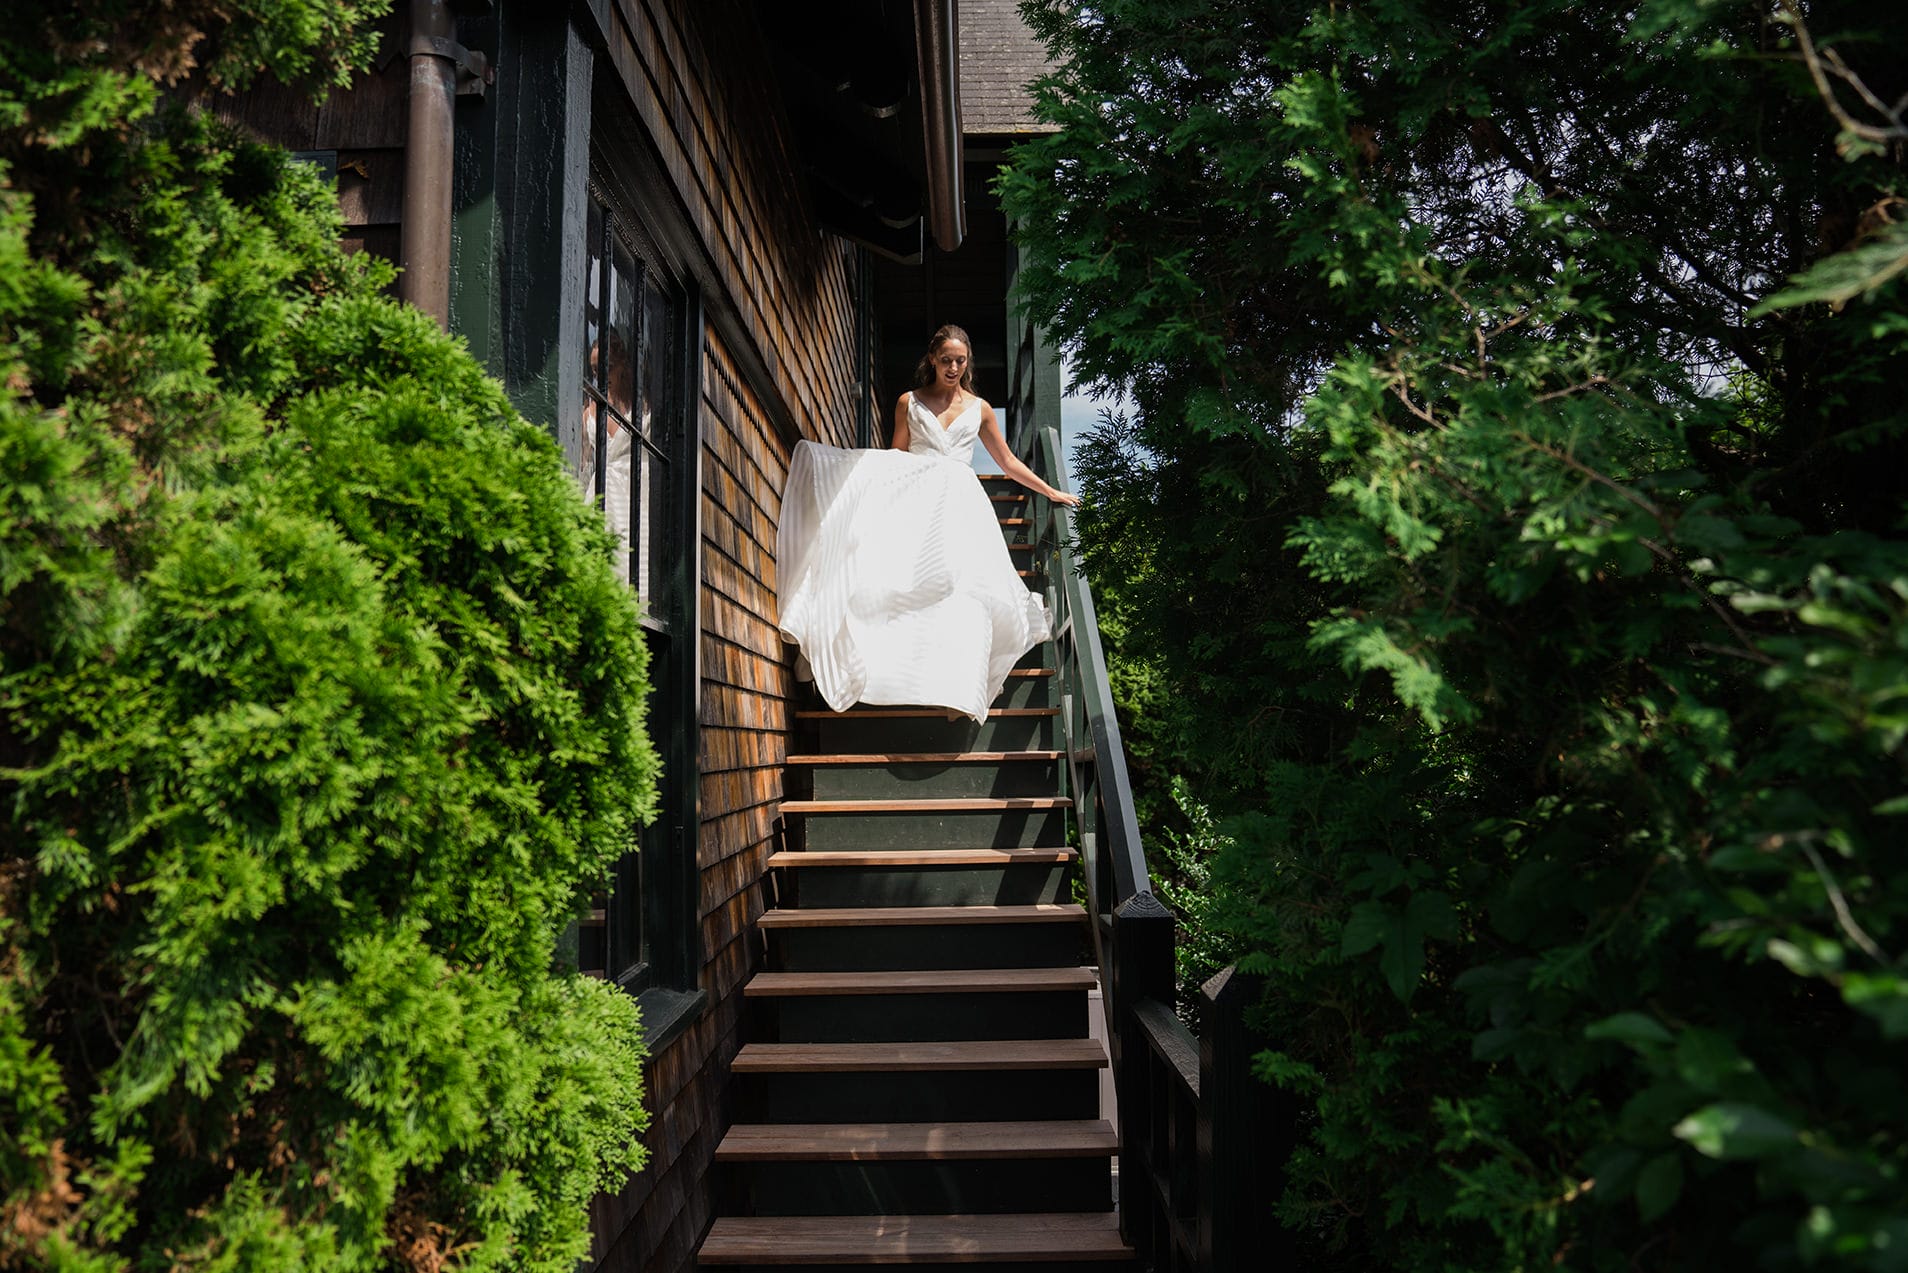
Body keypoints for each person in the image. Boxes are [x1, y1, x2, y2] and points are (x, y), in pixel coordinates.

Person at [777, 325, 1080, 722]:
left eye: (961, 360)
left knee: (961, 588)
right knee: (901, 583)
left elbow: (1007, 462)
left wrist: (1050, 491)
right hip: (915, 499)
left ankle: (953, 683)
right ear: (932, 360)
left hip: (960, 505)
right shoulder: (909, 402)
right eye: (946, 360)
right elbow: (895, 455)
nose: (953, 367)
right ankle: (890, 672)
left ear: (967, 361)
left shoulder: (980, 409)